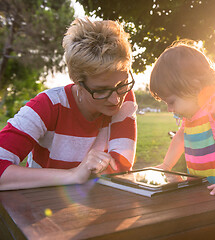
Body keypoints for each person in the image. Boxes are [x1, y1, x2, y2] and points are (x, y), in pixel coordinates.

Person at [0, 18, 137, 190]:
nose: (115, 100)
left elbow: (121, 168)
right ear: (78, 83)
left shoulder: (125, 97)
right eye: (101, 90)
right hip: (38, 205)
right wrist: (73, 175)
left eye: (122, 84)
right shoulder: (47, 106)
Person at [149, 40, 215, 198]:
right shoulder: (190, 118)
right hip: (206, 190)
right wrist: (166, 165)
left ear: (194, 86)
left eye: (171, 102)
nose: (169, 109)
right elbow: (179, 139)